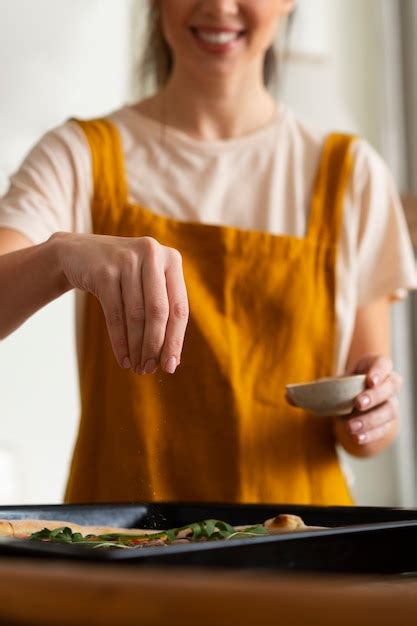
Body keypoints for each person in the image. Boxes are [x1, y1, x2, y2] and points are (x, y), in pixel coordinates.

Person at [0, 0, 415, 505]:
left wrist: (372, 415)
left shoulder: (350, 174)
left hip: (301, 559)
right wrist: (58, 256)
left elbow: (362, 420)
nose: (219, 6)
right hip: (123, 562)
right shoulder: (80, 155)